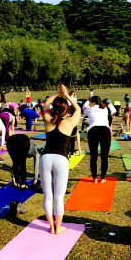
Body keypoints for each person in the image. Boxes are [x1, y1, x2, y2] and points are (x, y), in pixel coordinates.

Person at [41, 85, 81, 235]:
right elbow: (78, 109)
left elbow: (46, 104)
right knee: (58, 197)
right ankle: (58, 227)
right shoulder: (70, 123)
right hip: (61, 160)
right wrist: (67, 96)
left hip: (45, 158)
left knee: (48, 195)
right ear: (66, 110)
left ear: (54, 109)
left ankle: (51, 227)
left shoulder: (47, 119)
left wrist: (57, 93)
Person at [85, 96, 113, 183]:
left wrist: (89, 103)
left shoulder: (89, 109)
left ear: (93, 102)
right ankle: (103, 178)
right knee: (104, 156)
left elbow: (84, 108)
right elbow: (113, 110)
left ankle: (95, 178)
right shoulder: (105, 109)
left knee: (94, 156)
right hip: (105, 130)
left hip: (93, 130)